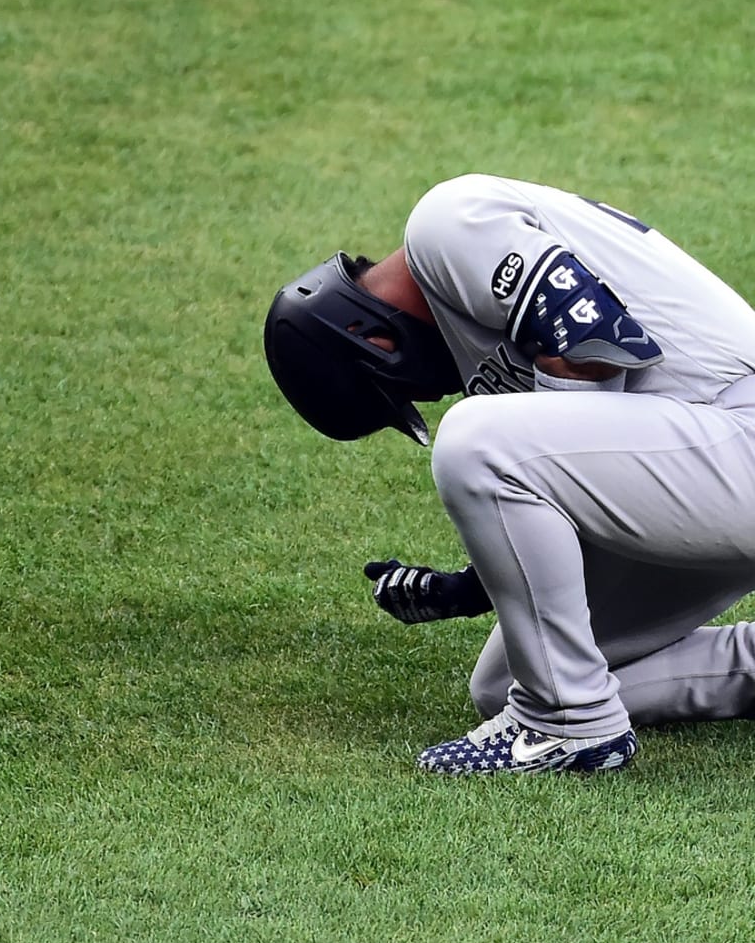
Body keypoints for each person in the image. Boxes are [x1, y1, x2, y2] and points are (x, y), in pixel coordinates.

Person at [263, 173, 755, 775]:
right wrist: (479, 584)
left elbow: (596, 345)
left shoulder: (449, 221)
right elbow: (591, 456)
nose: (430, 393)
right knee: (509, 681)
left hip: (736, 432)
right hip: (709, 467)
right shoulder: (466, 300)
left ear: (373, 340)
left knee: (477, 437)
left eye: (404, 390)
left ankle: (567, 725)